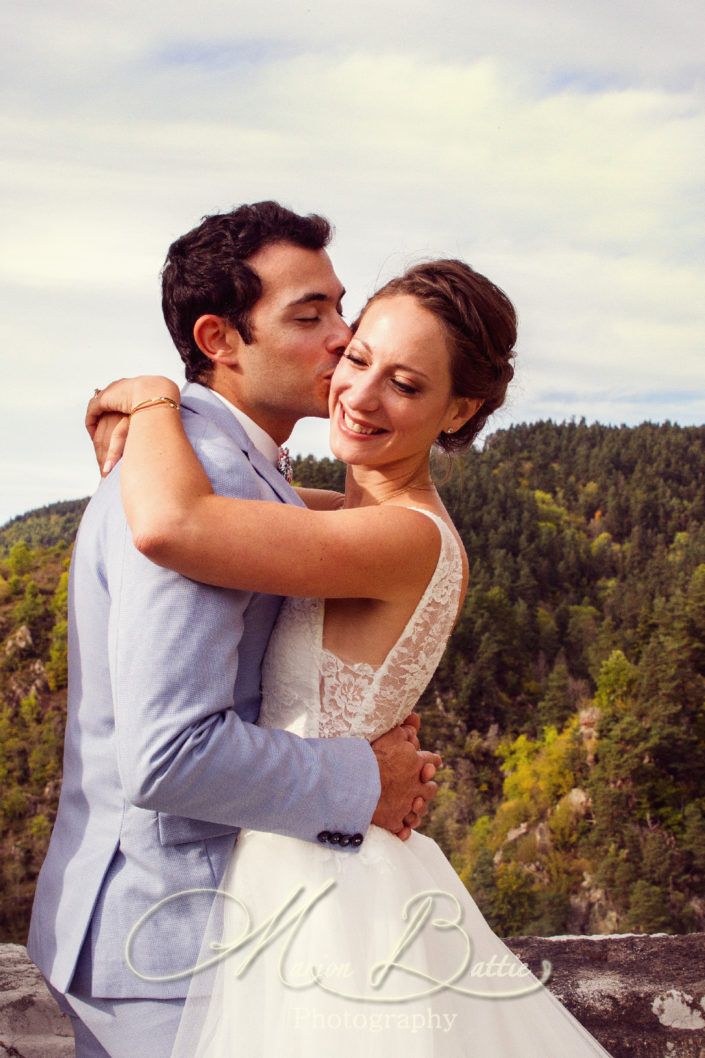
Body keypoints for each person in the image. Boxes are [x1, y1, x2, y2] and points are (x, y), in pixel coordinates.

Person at [86, 258, 615, 1057]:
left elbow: (176, 523)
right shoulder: (343, 512)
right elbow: (231, 490)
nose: (361, 396)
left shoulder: (401, 535)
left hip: (323, 879)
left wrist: (151, 394)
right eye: (358, 358)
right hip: (300, 849)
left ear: (457, 409)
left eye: (404, 385)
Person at [27, 202, 443, 1058]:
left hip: (189, 928)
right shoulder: (206, 477)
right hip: (167, 945)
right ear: (219, 338)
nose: (341, 337)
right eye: (308, 315)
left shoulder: (225, 468)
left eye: (341, 307)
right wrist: (365, 778)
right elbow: (168, 754)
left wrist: (143, 399)